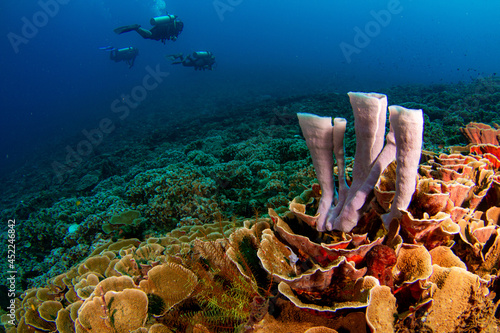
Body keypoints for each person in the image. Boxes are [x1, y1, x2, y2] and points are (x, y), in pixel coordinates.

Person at [114, 13, 183, 43]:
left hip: (160, 28)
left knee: (146, 36)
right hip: (161, 29)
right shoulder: (176, 30)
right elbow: (172, 36)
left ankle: (136, 28)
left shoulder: (174, 27)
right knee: (150, 35)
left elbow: (170, 35)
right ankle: (136, 27)